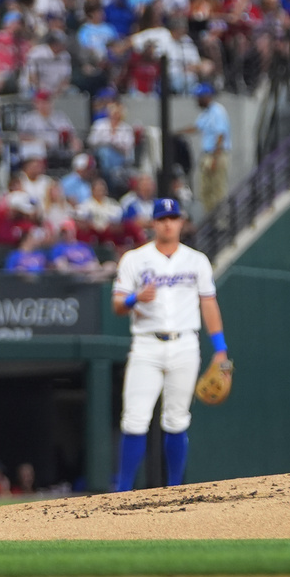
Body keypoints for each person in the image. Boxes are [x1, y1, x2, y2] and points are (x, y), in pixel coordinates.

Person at [111, 198, 229, 491]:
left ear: (181, 222)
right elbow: (117, 304)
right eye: (162, 218)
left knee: (177, 419)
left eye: (173, 218)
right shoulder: (134, 259)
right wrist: (134, 298)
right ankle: (122, 490)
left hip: (185, 343)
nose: (168, 223)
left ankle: (176, 488)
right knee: (134, 419)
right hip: (146, 344)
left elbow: (209, 304)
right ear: (153, 223)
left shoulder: (196, 260)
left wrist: (221, 349)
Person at [179, 83, 230, 215]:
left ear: (207, 97)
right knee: (205, 190)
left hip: (217, 154)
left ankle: (221, 222)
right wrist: (177, 132)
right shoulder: (206, 113)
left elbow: (221, 135)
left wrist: (215, 157)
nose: (197, 100)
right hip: (207, 155)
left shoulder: (218, 111)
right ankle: (210, 220)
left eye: (199, 97)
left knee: (217, 189)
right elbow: (196, 127)